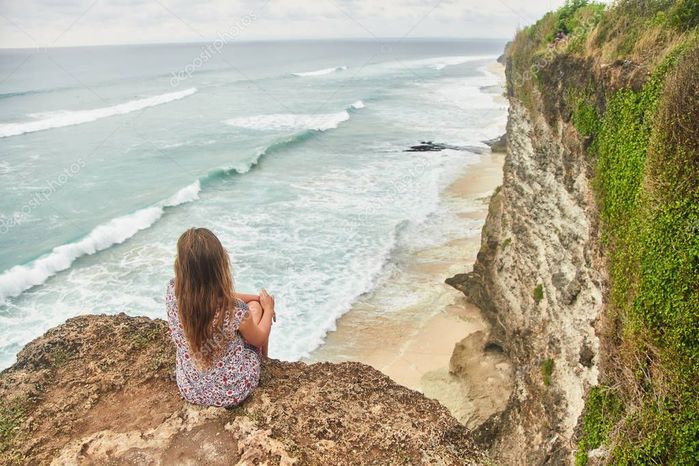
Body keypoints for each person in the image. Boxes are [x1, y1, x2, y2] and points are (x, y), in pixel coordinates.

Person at [165, 227, 275, 407]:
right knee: (256, 309)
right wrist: (268, 308)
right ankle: (264, 362)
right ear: (219, 267)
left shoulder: (173, 290)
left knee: (250, 309)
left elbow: (212, 297)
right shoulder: (234, 310)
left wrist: (255, 296)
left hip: (190, 387)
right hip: (231, 391)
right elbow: (259, 338)